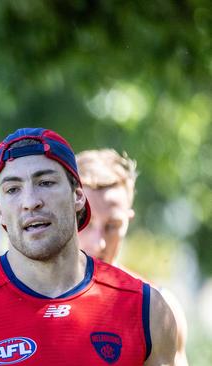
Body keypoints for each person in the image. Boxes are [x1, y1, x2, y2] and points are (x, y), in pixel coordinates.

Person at [0, 127, 178, 365]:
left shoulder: (146, 309)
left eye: (45, 183)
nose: (30, 201)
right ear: (0, 213)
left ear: (78, 196)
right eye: (12, 189)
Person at [77, 148, 189, 365]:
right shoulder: (27, 301)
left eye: (112, 226)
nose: (98, 242)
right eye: (85, 222)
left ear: (129, 220)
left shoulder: (159, 308)